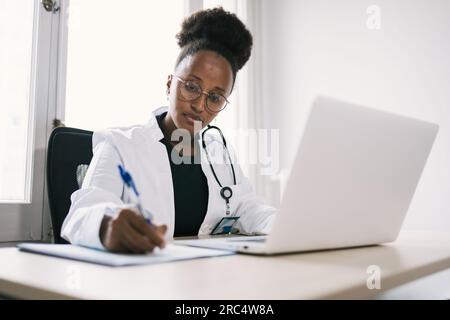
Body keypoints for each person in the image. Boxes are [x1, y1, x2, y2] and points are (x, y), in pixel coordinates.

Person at [61, 7, 276, 253]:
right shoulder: (119, 144)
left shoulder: (219, 152)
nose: (199, 105)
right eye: (192, 87)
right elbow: (82, 212)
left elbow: (248, 207)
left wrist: (286, 224)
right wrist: (106, 224)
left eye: (215, 98)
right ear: (170, 84)